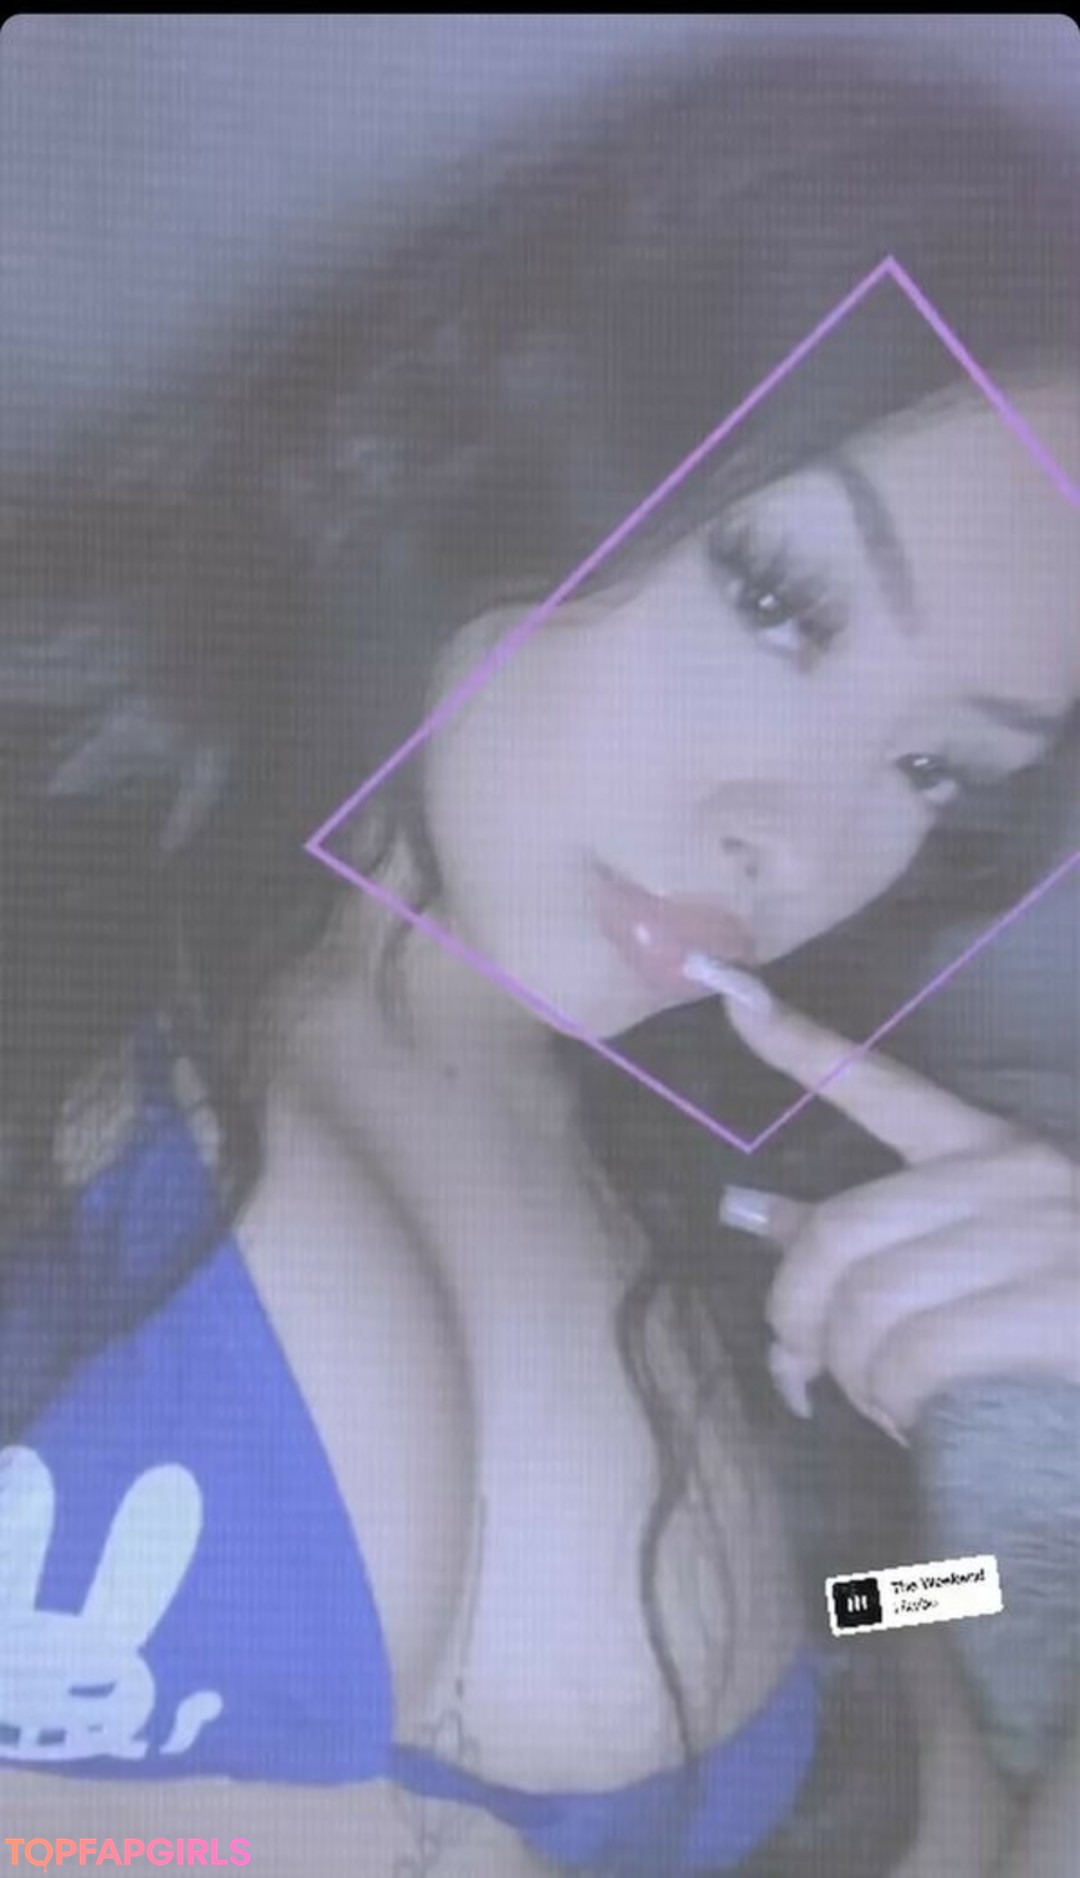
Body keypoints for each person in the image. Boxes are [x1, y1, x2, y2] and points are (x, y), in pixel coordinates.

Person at [1, 36, 1078, 1878]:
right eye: (778, 598)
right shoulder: (80, 968)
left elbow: (886, 1646)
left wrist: (1031, 1532)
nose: (793, 836)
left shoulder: (742, 1205)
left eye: (932, 768)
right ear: (519, 433)